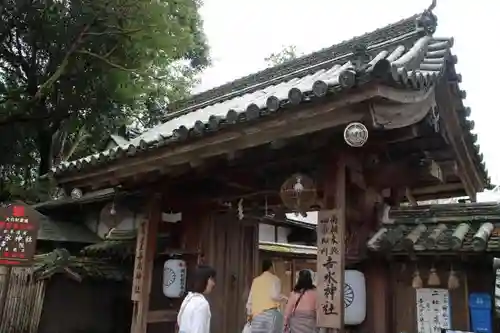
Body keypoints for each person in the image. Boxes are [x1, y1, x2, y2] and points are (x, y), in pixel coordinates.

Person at [246, 259, 287, 333]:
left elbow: (250, 301)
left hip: (256, 316)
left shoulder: (256, 281)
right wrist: (284, 298)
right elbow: (274, 295)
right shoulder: (275, 279)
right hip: (270, 315)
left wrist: (249, 315)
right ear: (271, 267)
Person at [177, 265, 216, 333]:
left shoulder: (188, 299)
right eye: (211, 279)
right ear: (204, 280)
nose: (213, 283)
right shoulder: (201, 304)